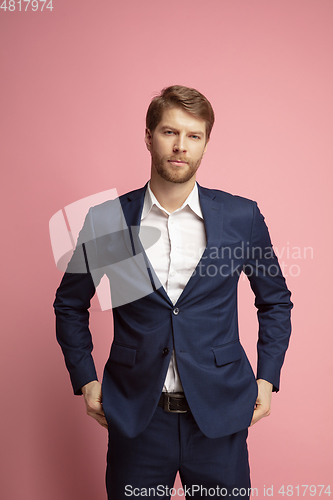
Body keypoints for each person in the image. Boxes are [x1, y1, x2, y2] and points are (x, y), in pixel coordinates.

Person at [54, 85, 293, 499]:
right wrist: (86, 380)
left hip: (220, 417)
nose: (181, 146)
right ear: (148, 137)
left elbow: (274, 301)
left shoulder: (240, 217)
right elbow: (70, 304)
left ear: (205, 143)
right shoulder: (111, 220)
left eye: (193, 136)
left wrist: (268, 378)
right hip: (137, 418)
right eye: (169, 132)